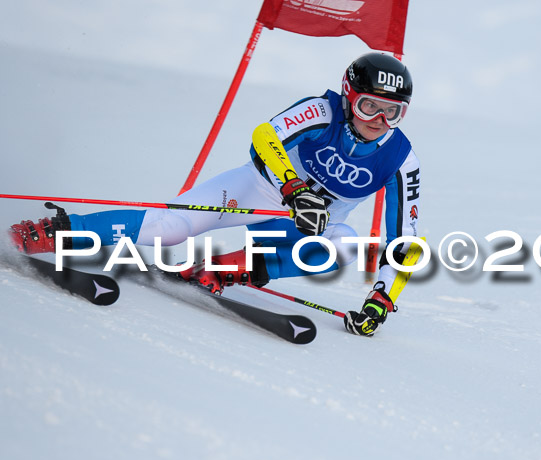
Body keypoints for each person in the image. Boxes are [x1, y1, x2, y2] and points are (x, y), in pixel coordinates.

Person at [8, 53, 420, 337]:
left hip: (300, 224)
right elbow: (264, 136)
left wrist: (382, 298)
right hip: (257, 190)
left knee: (344, 242)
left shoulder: (401, 160)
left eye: (393, 112)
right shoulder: (321, 111)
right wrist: (293, 187)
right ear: (349, 98)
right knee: (170, 228)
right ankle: (57, 229)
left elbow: (406, 242)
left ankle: (223, 270)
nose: (380, 121)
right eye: (369, 107)